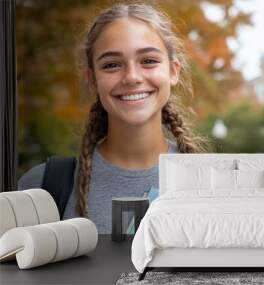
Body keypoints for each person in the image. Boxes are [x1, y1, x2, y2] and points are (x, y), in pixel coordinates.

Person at [18, 2, 208, 233]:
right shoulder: (39, 190)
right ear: (92, 79)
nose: (131, 77)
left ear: (173, 71)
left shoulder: (212, 184)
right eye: (111, 65)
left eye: (148, 61)